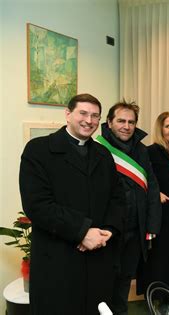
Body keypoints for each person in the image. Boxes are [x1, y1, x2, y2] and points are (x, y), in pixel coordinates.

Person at [19, 94, 125, 315]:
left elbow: (117, 199)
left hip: (98, 257)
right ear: (68, 114)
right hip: (58, 260)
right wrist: (82, 231)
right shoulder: (38, 150)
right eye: (83, 113)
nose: (89, 120)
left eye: (95, 116)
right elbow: (37, 205)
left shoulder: (103, 154)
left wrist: (108, 231)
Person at [98, 101, 162, 315]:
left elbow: (152, 187)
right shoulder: (97, 148)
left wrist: (151, 225)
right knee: (104, 282)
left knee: (125, 279)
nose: (126, 126)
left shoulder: (142, 150)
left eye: (131, 122)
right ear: (109, 122)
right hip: (107, 232)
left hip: (135, 230)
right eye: (121, 121)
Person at [137, 111, 169, 297]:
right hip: (161, 214)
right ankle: (158, 295)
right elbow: (142, 180)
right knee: (160, 258)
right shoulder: (150, 152)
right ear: (161, 129)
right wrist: (155, 193)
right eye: (168, 126)